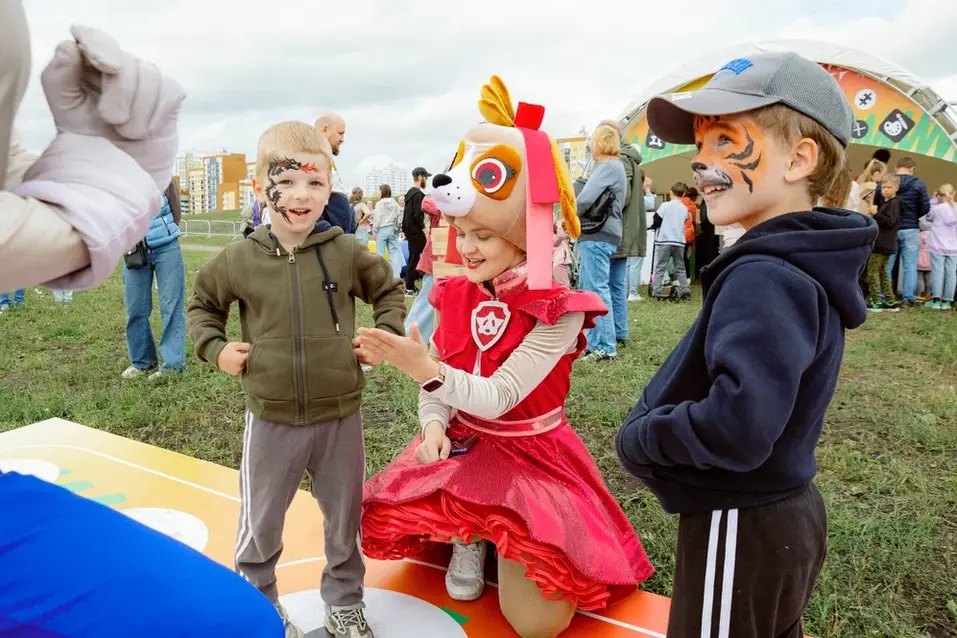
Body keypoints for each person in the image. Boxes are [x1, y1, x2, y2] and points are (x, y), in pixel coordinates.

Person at [0, 9, 282, 637]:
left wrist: (103, 172)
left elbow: (18, 178)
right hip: (131, 248)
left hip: (156, 242)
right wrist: (103, 192)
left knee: (235, 621)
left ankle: (169, 361)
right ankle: (145, 360)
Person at [357, 76, 654, 638]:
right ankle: (469, 530)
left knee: (538, 623)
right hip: (468, 446)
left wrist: (423, 369)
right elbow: (444, 383)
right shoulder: (454, 290)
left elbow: (499, 397)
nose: (467, 248)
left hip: (533, 454)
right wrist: (433, 424)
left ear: (522, 234)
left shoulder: (559, 310)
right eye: (462, 232)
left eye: (484, 236)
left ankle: (491, 531)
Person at [616, 52, 877, 638]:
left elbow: (741, 424)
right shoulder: (800, 262)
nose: (699, 160)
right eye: (700, 144)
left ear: (800, 160)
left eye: (725, 140)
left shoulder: (765, 274)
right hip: (781, 512)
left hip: (739, 518)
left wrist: (643, 438)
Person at [187, 120, 406, 638]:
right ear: (261, 186)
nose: (301, 194)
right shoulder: (239, 259)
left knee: (344, 518)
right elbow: (202, 306)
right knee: (261, 521)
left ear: (329, 188)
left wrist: (386, 334)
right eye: (286, 181)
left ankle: (345, 600)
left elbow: (390, 291)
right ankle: (258, 602)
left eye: (315, 182)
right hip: (271, 419)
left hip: (340, 417)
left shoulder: (346, 251)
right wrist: (216, 349)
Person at [122, 178, 186, 380]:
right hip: (134, 250)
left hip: (167, 247)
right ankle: (142, 362)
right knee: (135, 308)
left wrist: (166, 230)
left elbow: (175, 209)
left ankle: (173, 366)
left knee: (171, 306)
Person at [575, 123, 627, 361]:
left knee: (595, 289)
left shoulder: (606, 167)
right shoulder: (617, 166)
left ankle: (605, 346)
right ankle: (594, 342)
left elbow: (585, 199)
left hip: (597, 233)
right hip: (606, 233)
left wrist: (569, 215)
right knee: (594, 288)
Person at [876, 157, 931, 306]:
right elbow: (925, 208)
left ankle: (884, 295)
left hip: (889, 230)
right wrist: (912, 216)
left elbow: (878, 203)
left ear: (896, 168)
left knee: (887, 264)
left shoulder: (885, 183)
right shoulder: (919, 185)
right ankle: (908, 297)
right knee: (910, 265)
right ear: (912, 168)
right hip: (911, 228)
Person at [611, 141, 644, 343]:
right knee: (616, 284)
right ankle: (620, 331)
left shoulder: (621, 158)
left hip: (615, 228)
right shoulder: (631, 159)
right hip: (624, 229)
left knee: (606, 285)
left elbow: (621, 196)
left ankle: (608, 335)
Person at [403, 195, 442, 345]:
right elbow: (426, 203)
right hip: (435, 262)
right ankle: (408, 338)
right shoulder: (439, 203)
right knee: (426, 303)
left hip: (452, 264)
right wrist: (446, 206)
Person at [865, 174, 902, 312]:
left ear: (896, 188)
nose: (885, 190)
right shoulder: (888, 203)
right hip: (886, 243)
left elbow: (889, 222)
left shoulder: (894, 203)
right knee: (883, 272)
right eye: (884, 187)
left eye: (889, 187)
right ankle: (890, 301)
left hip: (882, 244)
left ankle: (876, 301)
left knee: (872, 271)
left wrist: (876, 214)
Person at [651, 183, 691, 300]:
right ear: (683, 194)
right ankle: (685, 290)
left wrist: (654, 226)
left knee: (660, 267)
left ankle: (656, 291)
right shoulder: (684, 209)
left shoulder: (665, 205)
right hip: (679, 242)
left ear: (670, 192)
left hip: (665, 240)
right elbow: (685, 220)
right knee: (680, 267)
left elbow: (657, 219)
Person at [315, 113, 353, 233]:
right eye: (340, 133)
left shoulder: (325, 157)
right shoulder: (313, 158)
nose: (342, 139)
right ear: (325, 130)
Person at [924, 184, 957, 309]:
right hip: (954, 247)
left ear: (938, 195)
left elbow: (928, 217)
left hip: (937, 245)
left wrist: (933, 201)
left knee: (937, 272)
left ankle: (936, 299)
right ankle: (948, 300)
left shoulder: (938, 208)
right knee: (951, 273)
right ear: (953, 194)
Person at [403, 167, 431, 296]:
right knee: (419, 256)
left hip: (409, 230)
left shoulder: (409, 193)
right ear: (420, 177)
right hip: (416, 231)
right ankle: (409, 287)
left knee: (414, 257)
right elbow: (417, 215)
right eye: (425, 177)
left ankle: (412, 281)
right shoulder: (418, 195)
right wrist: (425, 230)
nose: (426, 180)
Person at [372, 184, 404, 278]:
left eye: (379, 191)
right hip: (393, 229)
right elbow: (400, 214)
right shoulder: (395, 203)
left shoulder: (379, 203)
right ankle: (396, 277)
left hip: (382, 229)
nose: (378, 192)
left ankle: (381, 277)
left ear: (382, 192)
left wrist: (374, 230)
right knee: (394, 254)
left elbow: (377, 218)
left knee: (380, 255)